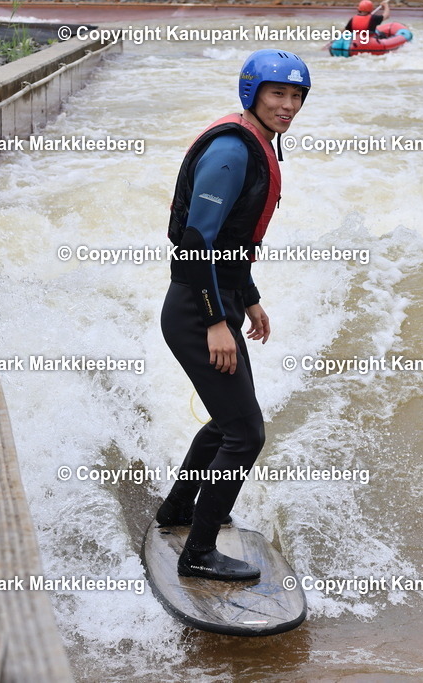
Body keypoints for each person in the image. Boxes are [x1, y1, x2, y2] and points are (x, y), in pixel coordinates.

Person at [155, 49, 311, 582]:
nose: (288, 106)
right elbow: (196, 242)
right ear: (252, 94)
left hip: (212, 301)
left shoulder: (257, 142)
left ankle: (176, 512)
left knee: (229, 423)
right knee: (246, 434)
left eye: (296, 96)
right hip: (195, 309)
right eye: (278, 94)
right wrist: (217, 320)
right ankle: (198, 553)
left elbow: (231, 244)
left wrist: (249, 298)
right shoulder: (231, 151)